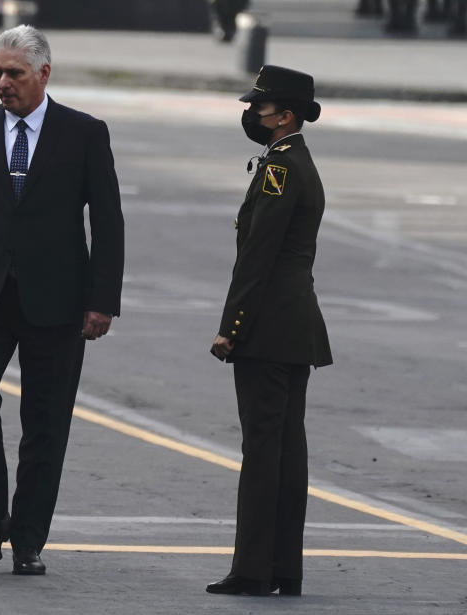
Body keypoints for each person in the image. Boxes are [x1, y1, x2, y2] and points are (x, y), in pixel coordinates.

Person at [0, 25, 124, 576]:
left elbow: (107, 222)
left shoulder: (84, 133)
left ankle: (29, 537)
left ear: (44, 74)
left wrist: (102, 300)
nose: (3, 83)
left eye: (14, 73)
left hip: (57, 301)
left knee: (46, 422)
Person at [206, 65, 332, 597]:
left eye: (260, 107)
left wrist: (230, 328)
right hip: (293, 327)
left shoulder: (280, 171)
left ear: (285, 115)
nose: (251, 114)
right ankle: (284, 568)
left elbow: (257, 257)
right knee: (285, 449)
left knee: (263, 451)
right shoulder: (294, 163)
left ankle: (254, 570)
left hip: (269, 329)